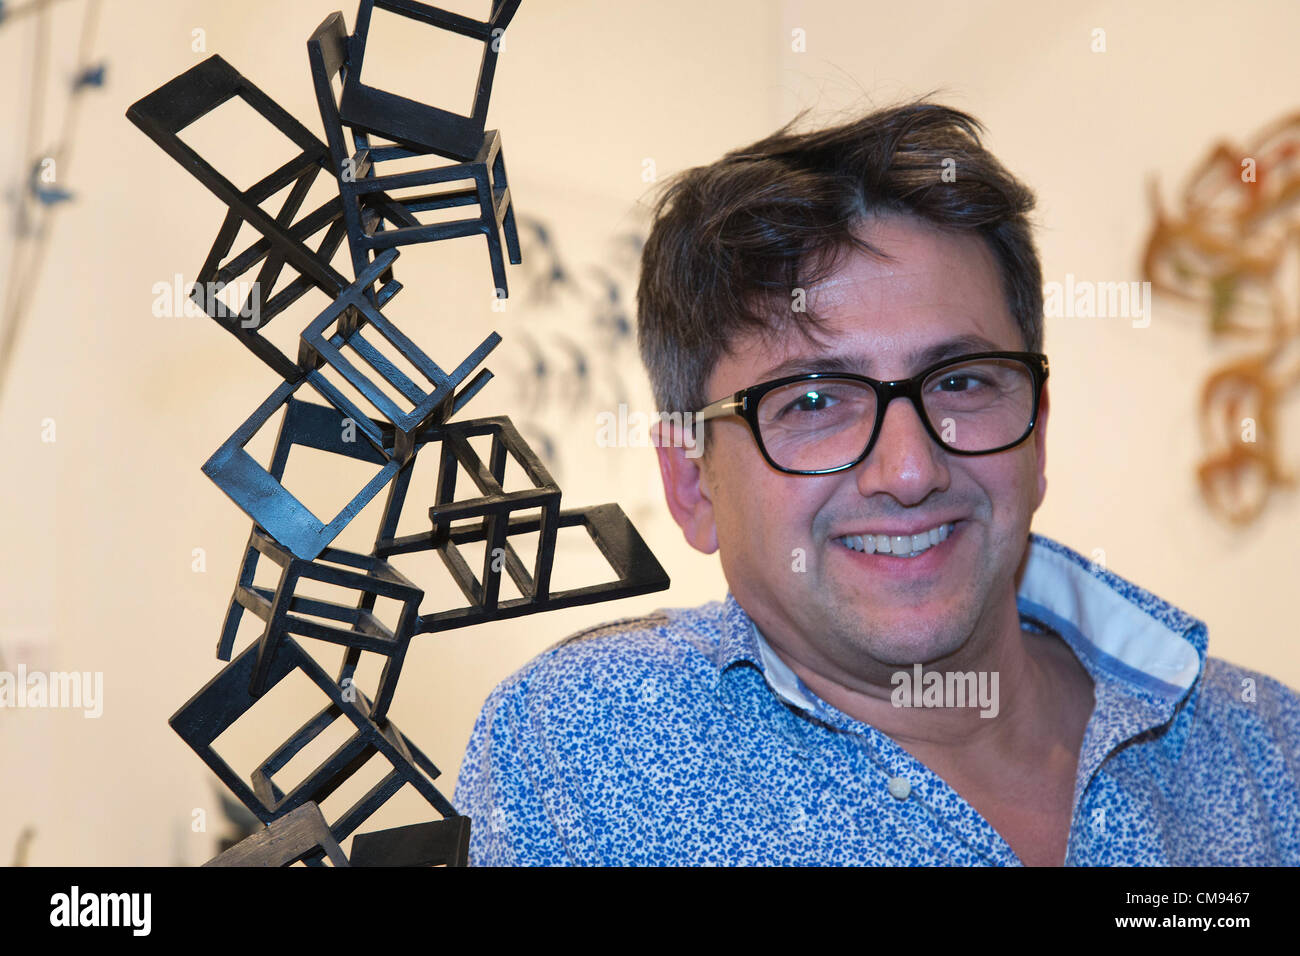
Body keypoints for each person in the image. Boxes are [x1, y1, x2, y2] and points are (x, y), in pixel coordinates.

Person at [453, 100, 1300, 865]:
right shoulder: (579, 753)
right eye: (814, 400)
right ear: (691, 481)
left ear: (1038, 431)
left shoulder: (1266, 752)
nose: (909, 470)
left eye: (962, 381)